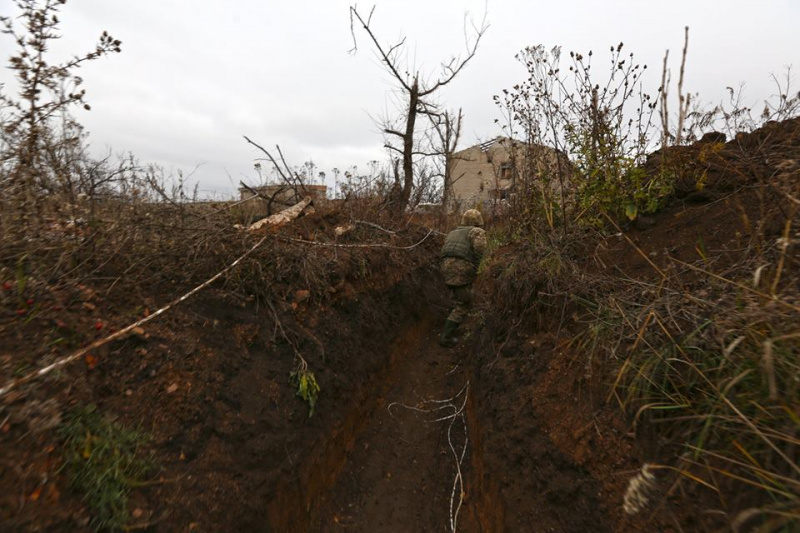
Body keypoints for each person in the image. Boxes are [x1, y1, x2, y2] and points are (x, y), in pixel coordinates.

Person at [439, 209, 487, 347]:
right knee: (464, 304)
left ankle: (454, 320)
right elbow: (480, 252)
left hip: (445, 268)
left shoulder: (452, 232)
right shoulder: (477, 232)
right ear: (478, 221)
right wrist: (476, 269)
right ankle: (445, 338)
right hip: (461, 269)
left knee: (458, 296)